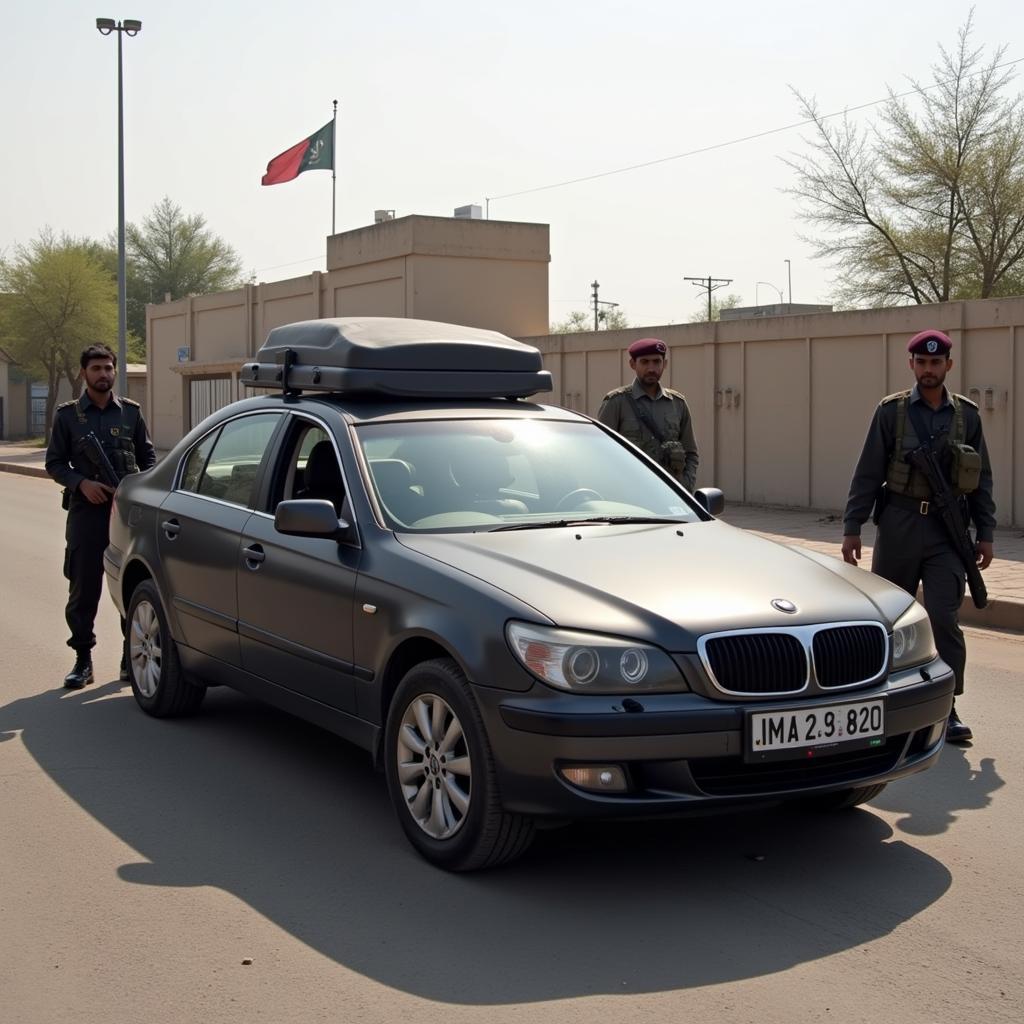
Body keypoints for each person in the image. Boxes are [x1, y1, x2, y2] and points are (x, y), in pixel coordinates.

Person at [841, 329, 995, 744]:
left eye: (937, 362)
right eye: (922, 363)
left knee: (945, 619)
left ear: (949, 365)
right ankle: (884, 705)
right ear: (912, 365)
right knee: (889, 619)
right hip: (899, 525)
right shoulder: (891, 412)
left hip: (949, 532)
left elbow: (981, 478)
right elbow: (868, 471)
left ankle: (948, 707)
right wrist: (853, 527)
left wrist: (987, 533)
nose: (929, 369)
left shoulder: (967, 415)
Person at [45, 344, 156, 690]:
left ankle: (129, 654)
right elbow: (55, 463)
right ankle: (82, 659)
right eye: (96, 368)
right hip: (86, 514)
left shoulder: (131, 413)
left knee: (131, 584)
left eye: (108, 368)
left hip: (124, 514)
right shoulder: (68, 416)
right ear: (83, 374)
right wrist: (81, 484)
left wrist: (134, 490)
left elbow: (148, 459)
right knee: (84, 587)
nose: (104, 374)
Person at [598, 337, 699, 491]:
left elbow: (690, 453)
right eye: (644, 362)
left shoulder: (677, 404)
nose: (651, 368)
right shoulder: (617, 402)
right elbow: (601, 453)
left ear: (664, 364)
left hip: (670, 493)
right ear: (633, 364)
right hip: (629, 493)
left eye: (656, 362)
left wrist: (686, 485)